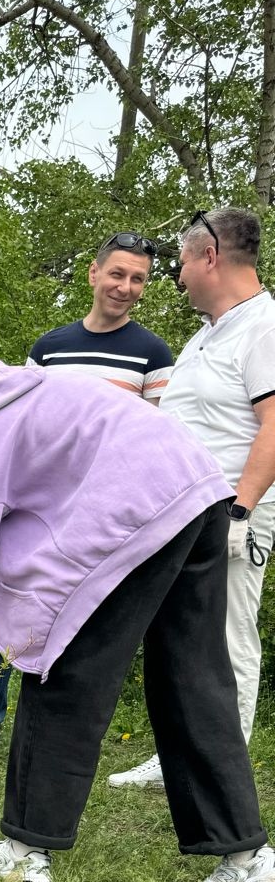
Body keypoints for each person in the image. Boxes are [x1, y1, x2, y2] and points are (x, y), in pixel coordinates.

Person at [0, 342, 275, 882]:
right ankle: (246, 856)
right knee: (193, 678)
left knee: (60, 668)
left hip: (140, 509)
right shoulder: (19, 391)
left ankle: (23, 855)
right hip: (198, 492)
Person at [0, 232, 173, 751]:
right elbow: (18, 424)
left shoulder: (153, 354)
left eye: (138, 279)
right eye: (118, 274)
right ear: (93, 273)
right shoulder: (49, 348)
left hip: (104, 513)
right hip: (38, 503)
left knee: (88, 618)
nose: (126, 287)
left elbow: (155, 441)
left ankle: (62, 728)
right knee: (2, 598)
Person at [109, 207, 275, 790]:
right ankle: (175, 757)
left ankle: (220, 770)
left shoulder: (265, 326)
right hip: (185, 513)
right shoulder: (209, 333)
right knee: (180, 635)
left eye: (180, 261)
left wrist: (241, 510)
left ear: (210, 256)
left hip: (232, 514)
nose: (176, 275)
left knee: (228, 637)